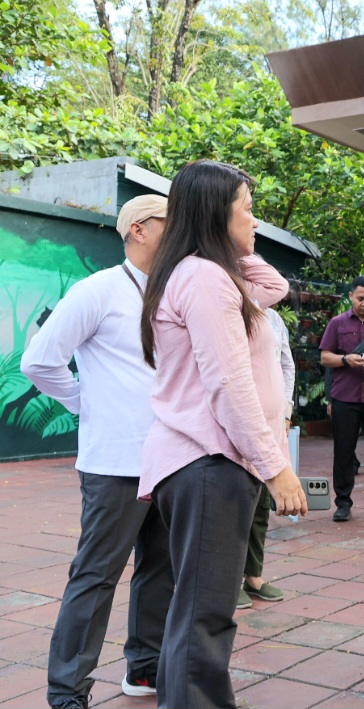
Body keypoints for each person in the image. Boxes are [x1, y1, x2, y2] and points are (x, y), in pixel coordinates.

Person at [139, 159, 307, 709]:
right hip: (210, 461)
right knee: (206, 612)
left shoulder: (210, 272)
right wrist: (275, 466)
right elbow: (228, 384)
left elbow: (277, 289)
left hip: (205, 462)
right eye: (247, 209)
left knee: (197, 608)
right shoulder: (206, 279)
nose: (255, 220)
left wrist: (240, 245)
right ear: (216, 213)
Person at [21, 195, 174, 709]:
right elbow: (40, 361)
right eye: (168, 223)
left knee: (161, 569)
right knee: (96, 576)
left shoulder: (177, 292)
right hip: (116, 463)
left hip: (173, 458)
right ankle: (67, 689)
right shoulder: (99, 289)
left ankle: (145, 669)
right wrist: (86, 401)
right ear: (137, 230)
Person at [238, 305, 295, 608]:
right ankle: (230, 579)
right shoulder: (230, 308)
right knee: (234, 506)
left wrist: (285, 409)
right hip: (238, 423)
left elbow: (287, 364)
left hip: (271, 424)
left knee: (261, 506)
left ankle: (253, 575)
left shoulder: (273, 318)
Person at [320, 276, 364, 521]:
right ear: (350, 297)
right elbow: (326, 357)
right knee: (344, 453)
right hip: (344, 398)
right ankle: (343, 504)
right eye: (360, 298)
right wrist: (346, 359)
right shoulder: (337, 324)